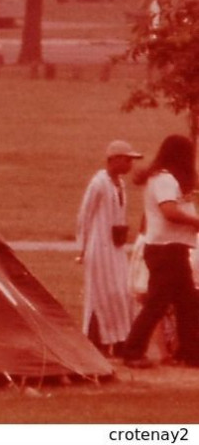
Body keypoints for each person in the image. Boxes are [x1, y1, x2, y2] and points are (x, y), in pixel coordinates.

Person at [119, 134, 199, 367]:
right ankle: (132, 351)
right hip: (167, 249)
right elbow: (169, 212)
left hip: (173, 248)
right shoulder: (165, 180)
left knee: (187, 301)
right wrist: (195, 222)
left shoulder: (162, 178)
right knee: (157, 303)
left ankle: (190, 352)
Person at [75, 139, 141, 354]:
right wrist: (82, 248)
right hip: (99, 247)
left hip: (116, 246)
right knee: (101, 294)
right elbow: (85, 215)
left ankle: (121, 339)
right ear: (114, 160)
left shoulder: (120, 184)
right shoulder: (99, 183)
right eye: (127, 160)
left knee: (122, 292)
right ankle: (98, 342)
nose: (130, 164)